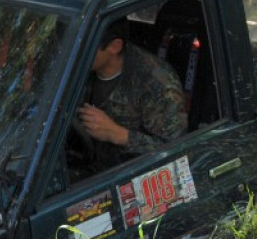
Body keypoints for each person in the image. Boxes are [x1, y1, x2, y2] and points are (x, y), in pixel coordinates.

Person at [76, 19, 187, 168]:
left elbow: (175, 152)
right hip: (80, 164)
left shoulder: (157, 84)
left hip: (125, 177)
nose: (76, 52)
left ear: (115, 46)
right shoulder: (76, 66)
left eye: (85, 47)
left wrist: (118, 134)